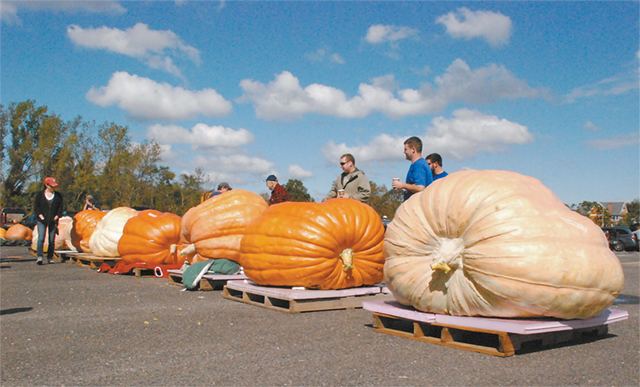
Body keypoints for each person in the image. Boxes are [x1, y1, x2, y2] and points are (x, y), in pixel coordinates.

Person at [33, 177, 64, 265]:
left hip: (53, 220)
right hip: (42, 220)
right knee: (41, 238)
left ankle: (50, 257)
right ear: (46, 185)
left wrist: (57, 215)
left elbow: (60, 207)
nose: (53, 188)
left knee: (51, 240)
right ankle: (39, 257)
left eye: (54, 186)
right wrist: (40, 215)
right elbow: (36, 207)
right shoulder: (40, 195)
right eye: (52, 186)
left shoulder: (58, 196)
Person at [392, 136, 433, 201]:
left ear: (413, 149)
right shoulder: (418, 164)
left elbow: (420, 188)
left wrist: (402, 185)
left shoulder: (419, 165)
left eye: (406, 149)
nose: (404, 152)